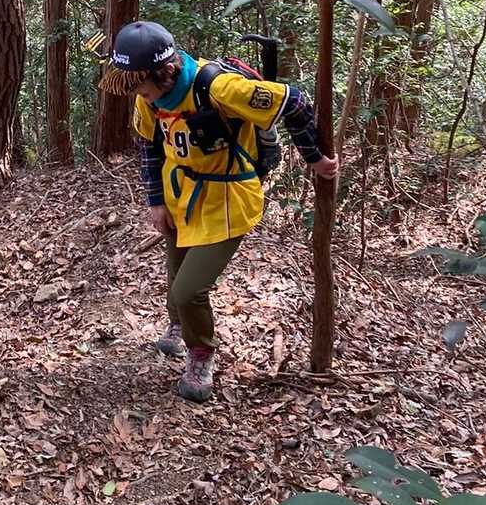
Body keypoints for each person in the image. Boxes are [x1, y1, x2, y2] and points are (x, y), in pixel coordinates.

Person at [99, 20, 338, 403]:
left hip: (227, 199)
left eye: (141, 86)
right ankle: (178, 326)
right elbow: (149, 146)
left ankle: (201, 353)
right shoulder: (150, 98)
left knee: (188, 290)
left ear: (166, 71)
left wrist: (315, 158)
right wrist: (156, 201)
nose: (139, 95)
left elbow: (293, 101)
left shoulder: (218, 87)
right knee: (175, 274)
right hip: (180, 195)